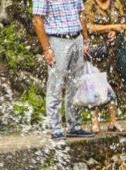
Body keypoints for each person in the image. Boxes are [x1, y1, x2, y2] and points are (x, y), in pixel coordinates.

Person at [32, 0, 93, 139]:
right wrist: (46, 49)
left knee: (76, 84)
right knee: (56, 84)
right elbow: (37, 20)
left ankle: (74, 125)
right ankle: (55, 127)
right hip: (57, 40)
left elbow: (80, 15)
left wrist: (86, 39)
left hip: (76, 38)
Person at [84, 0, 126, 132]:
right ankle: (95, 121)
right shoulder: (90, 4)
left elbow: (123, 25)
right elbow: (89, 27)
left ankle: (113, 121)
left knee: (113, 82)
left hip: (113, 50)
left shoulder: (116, 3)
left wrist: (115, 31)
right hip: (96, 50)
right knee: (94, 84)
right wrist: (112, 27)